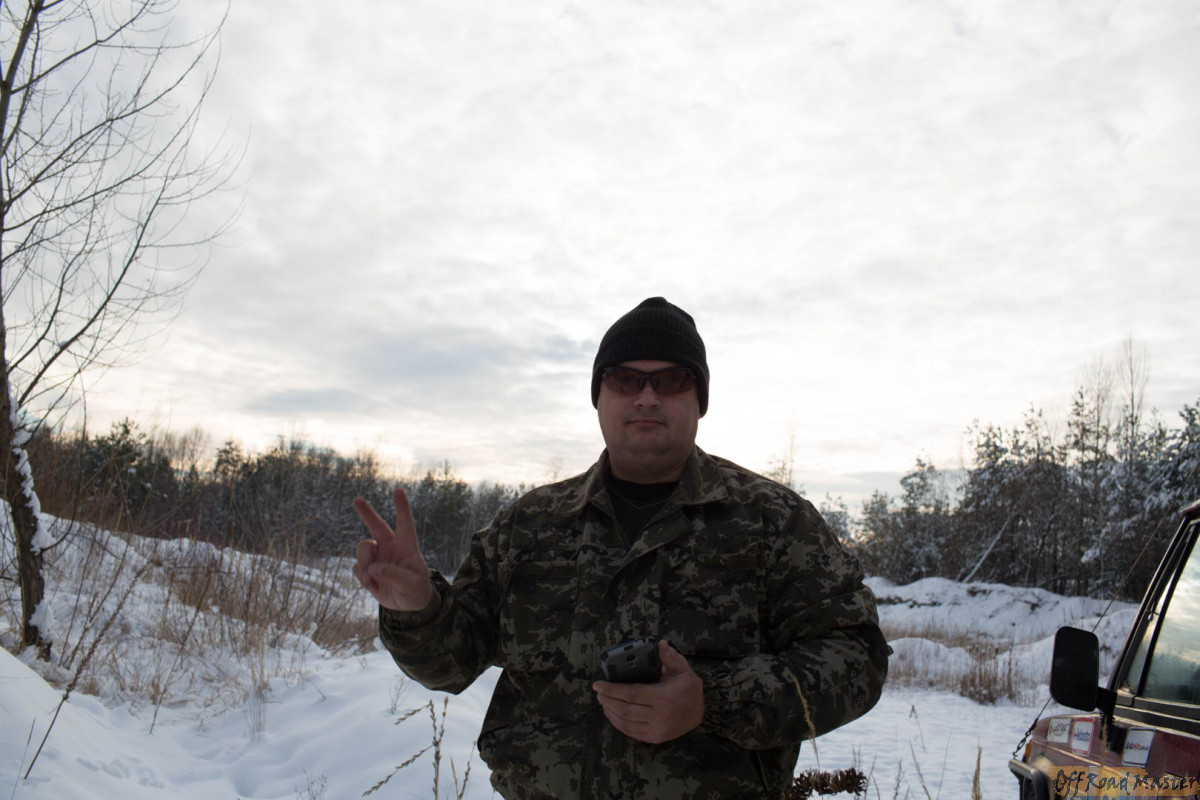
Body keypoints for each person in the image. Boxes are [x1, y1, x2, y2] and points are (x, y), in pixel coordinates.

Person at [352, 297, 889, 800]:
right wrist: (418, 610)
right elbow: (452, 662)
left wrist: (712, 701)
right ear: (600, 397)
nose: (647, 397)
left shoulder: (773, 521)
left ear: (699, 401)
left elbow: (857, 659)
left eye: (671, 380)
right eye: (626, 379)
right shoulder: (528, 526)